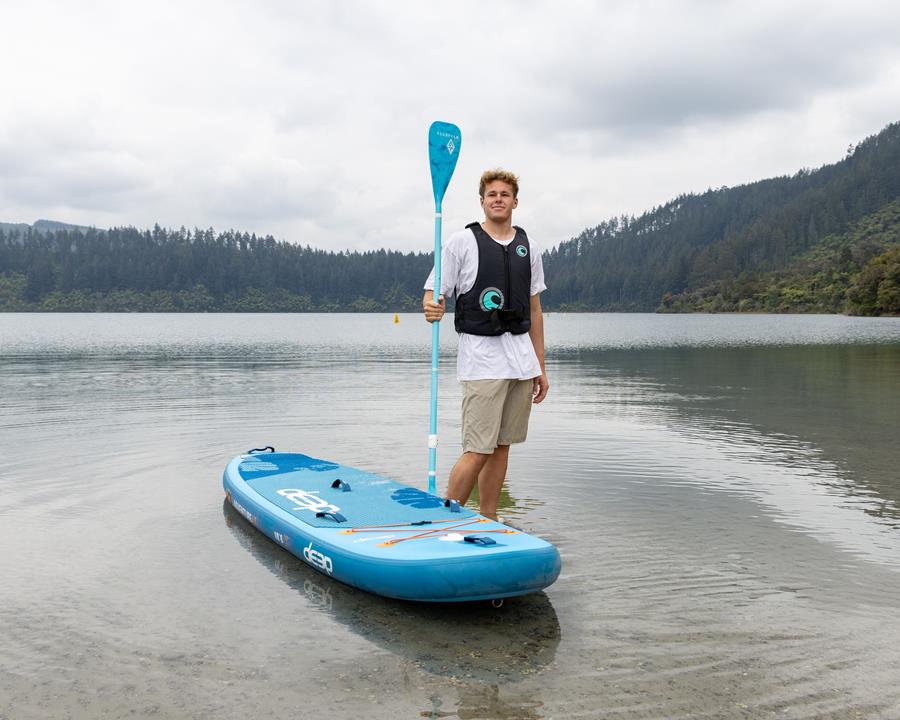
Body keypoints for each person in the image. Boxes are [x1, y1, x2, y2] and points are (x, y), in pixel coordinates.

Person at [422, 168, 549, 520]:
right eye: (492, 194)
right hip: (482, 362)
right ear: (482, 201)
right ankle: (444, 521)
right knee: (478, 449)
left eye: (504, 194)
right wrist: (431, 307)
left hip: (521, 362)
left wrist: (540, 366)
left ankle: (490, 519)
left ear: (515, 202)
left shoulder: (529, 247)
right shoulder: (461, 242)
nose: (498, 199)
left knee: (502, 446)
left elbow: (535, 311)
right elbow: (433, 292)